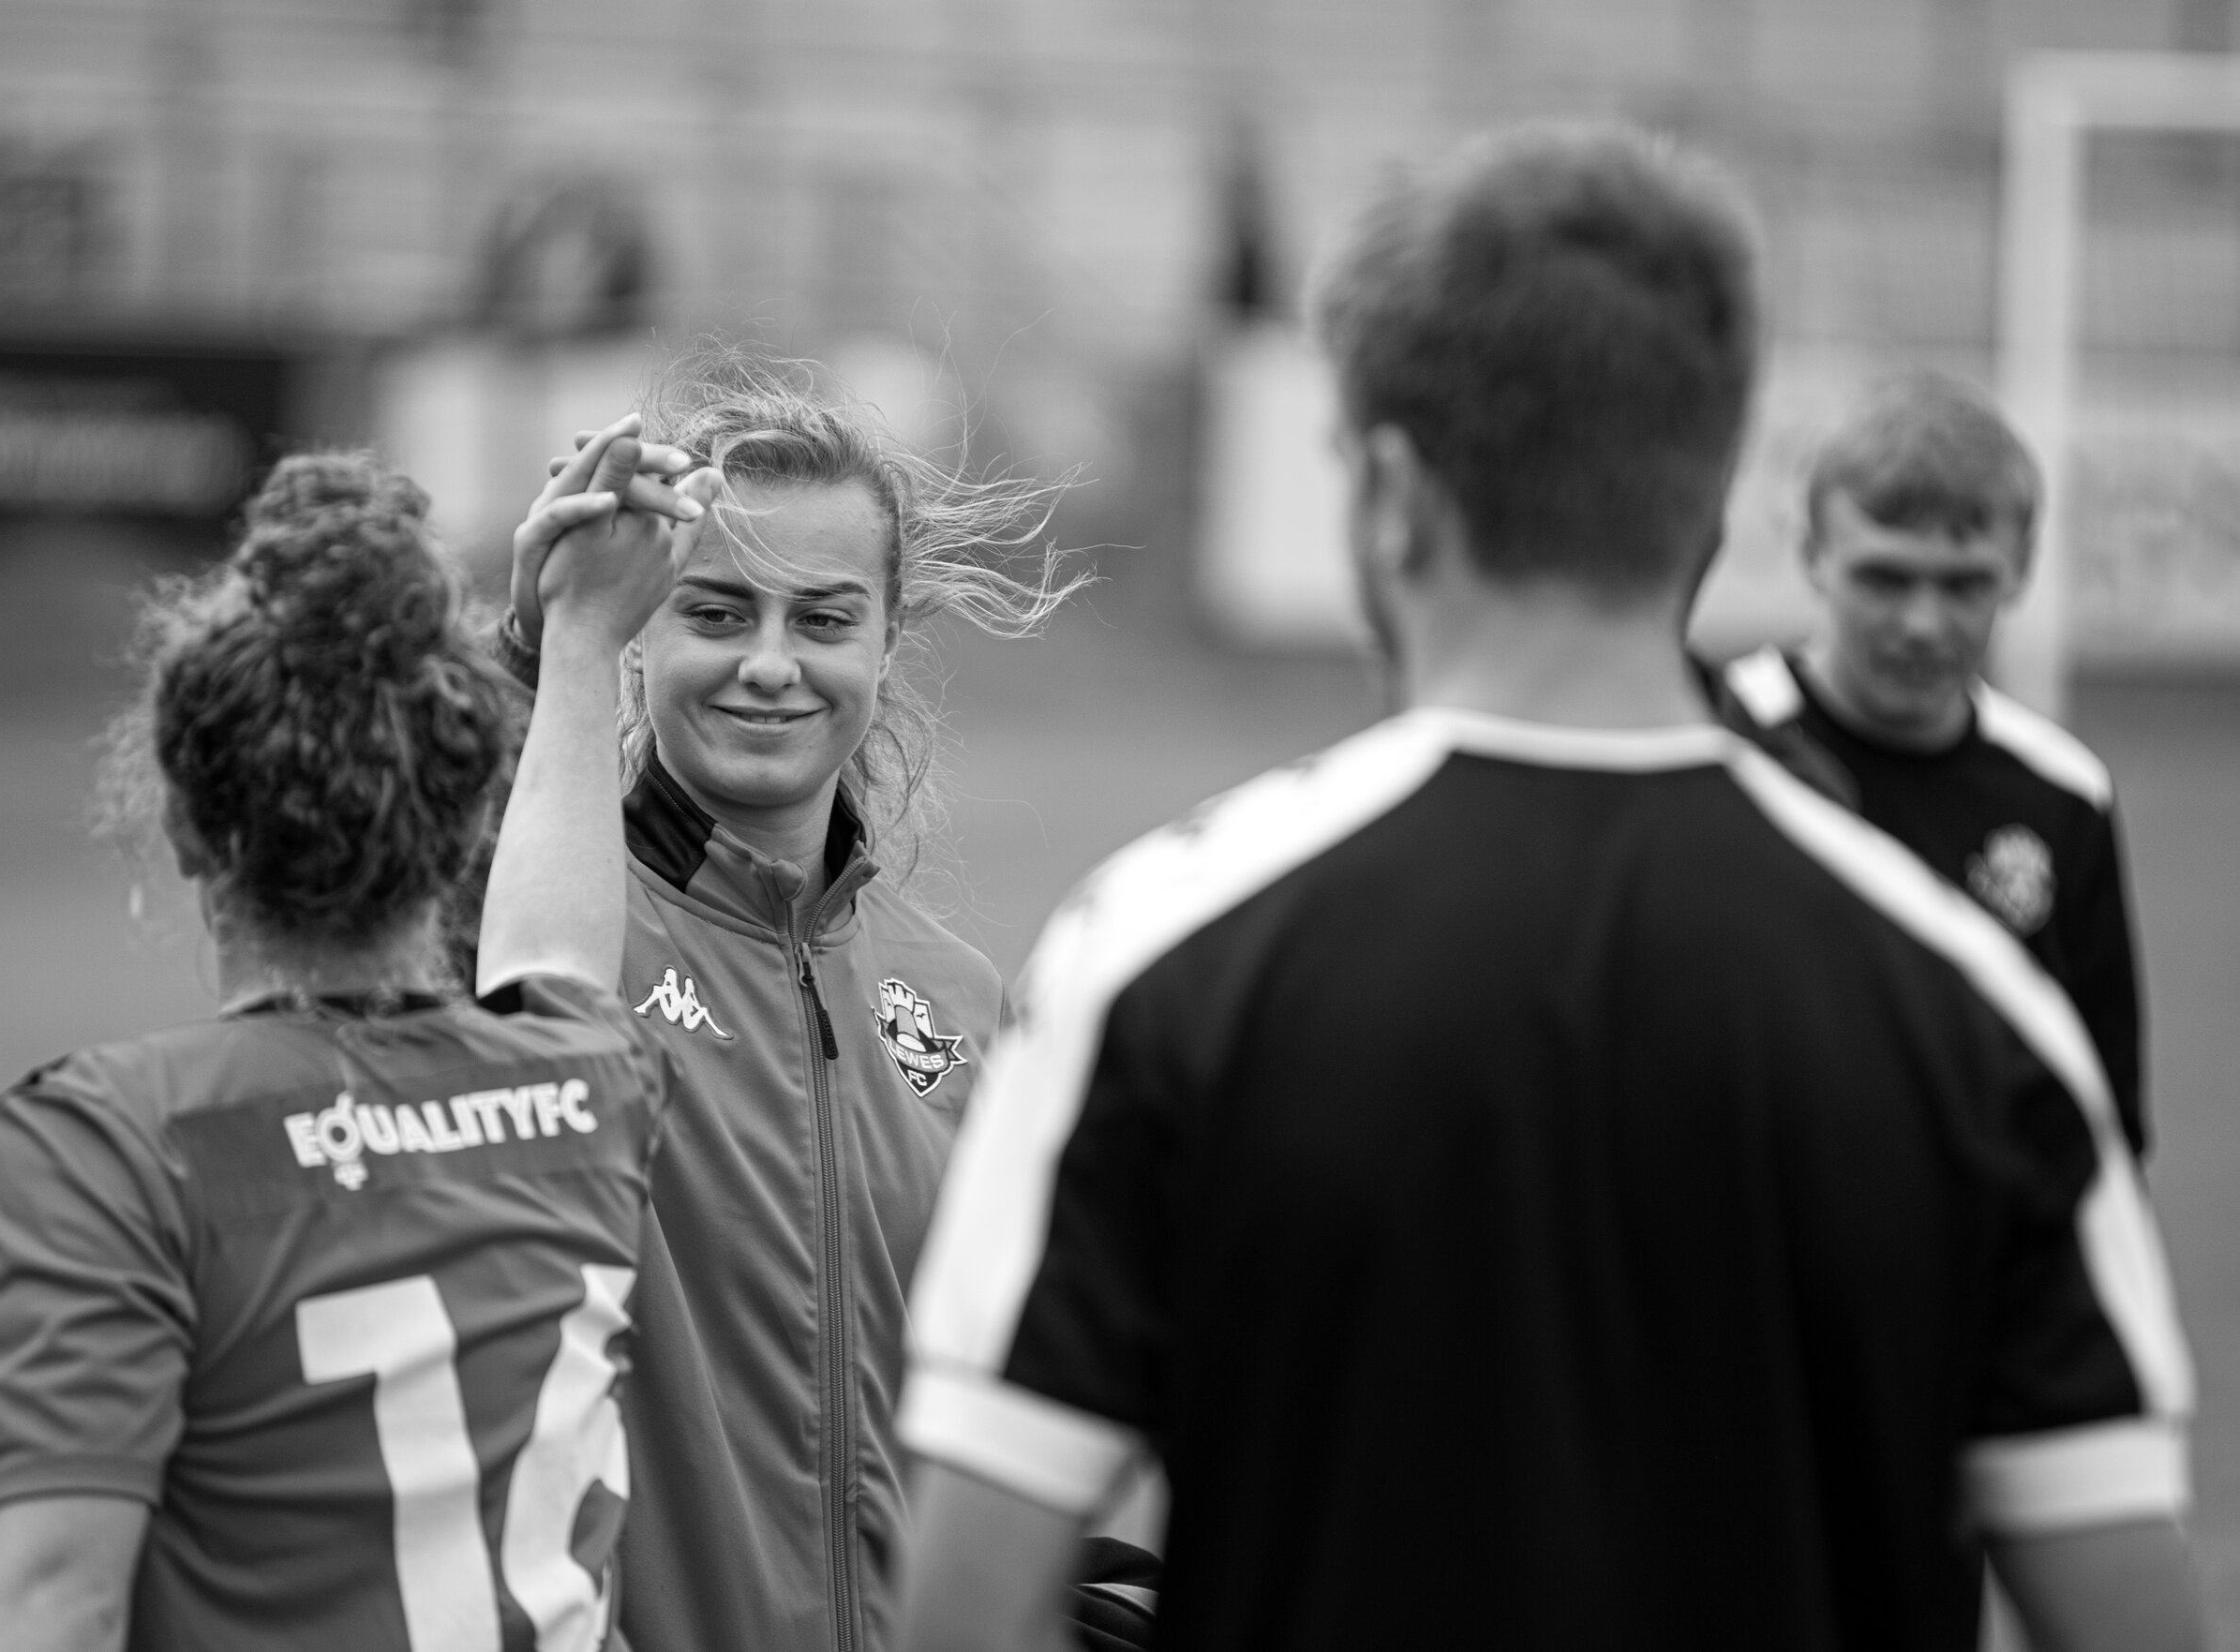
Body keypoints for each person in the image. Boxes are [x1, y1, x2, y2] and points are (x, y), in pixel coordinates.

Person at [890, 126, 2201, 1652]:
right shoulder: (1979, 1009)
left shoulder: (1159, 955)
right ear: (1715, 514)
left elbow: (968, 1600)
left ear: (1388, 494)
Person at [0, 438, 715, 1652]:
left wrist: (575, 646)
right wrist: (579, 646)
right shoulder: (586, 1088)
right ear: (463, 824)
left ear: (192, 827)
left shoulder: (120, 1139)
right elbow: (556, 959)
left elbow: (55, 1598)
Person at [491, 353, 1084, 1652]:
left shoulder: (958, 996)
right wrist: (540, 661)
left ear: (886, 637)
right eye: (715, 611)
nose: (770, 664)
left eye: (823, 619)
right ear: (641, 626)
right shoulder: (545, 922)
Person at [1715, 371, 2150, 1157]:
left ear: (2019, 568)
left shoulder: (2061, 793)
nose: (1922, 622)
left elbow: (2101, 1118)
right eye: (1884, 577)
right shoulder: (1722, 746)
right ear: (1812, 554)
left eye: (1963, 584)